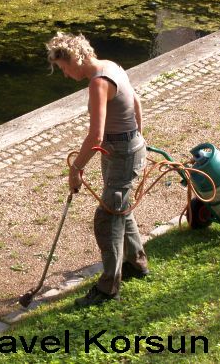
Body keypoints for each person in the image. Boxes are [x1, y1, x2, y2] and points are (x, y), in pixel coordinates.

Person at [46, 32, 150, 307]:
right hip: (123, 149)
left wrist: (76, 169)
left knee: (107, 218)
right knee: (119, 208)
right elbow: (136, 103)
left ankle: (108, 288)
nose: (66, 75)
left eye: (64, 68)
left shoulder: (98, 83)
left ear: (74, 59)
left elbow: (95, 136)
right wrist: (137, 137)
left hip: (122, 153)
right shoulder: (111, 66)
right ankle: (137, 263)